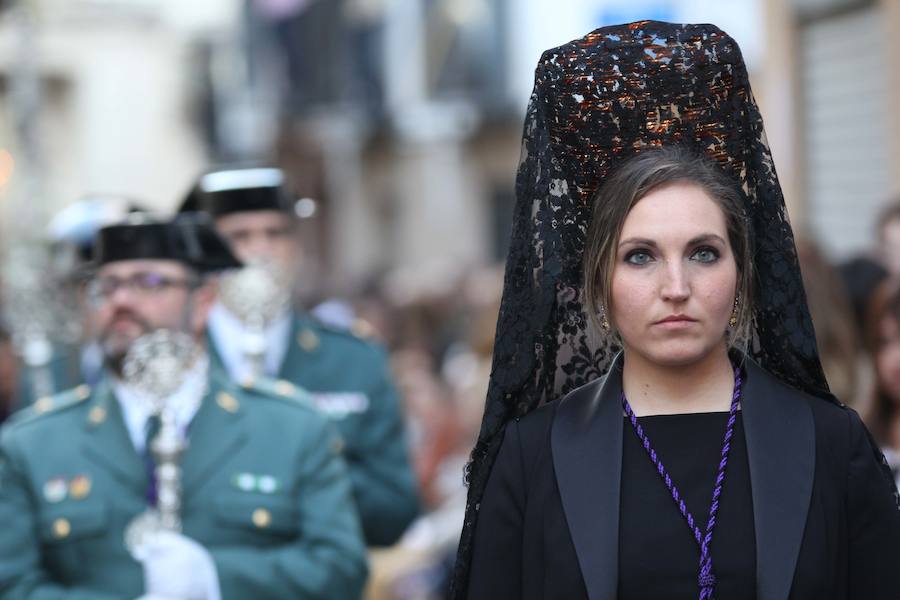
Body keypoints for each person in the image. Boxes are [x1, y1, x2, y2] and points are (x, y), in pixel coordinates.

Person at [454, 22, 900, 599]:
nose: (676, 285)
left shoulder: (831, 445)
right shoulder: (531, 459)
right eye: (640, 257)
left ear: (742, 271)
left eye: (703, 253)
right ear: (599, 283)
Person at [0, 215, 368, 598]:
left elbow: (341, 569)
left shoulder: (291, 427)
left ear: (203, 301)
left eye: (149, 282)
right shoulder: (32, 442)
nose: (121, 300)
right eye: (106, 287)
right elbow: (11, 584)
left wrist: (213, 576)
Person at [181, 166, 419, 547]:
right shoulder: (176, 360)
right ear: (208, 255)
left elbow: (394, 510)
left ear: (296, 246)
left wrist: (298, 463)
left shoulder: (356, 360)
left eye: (276, 233)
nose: (261, 250)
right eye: (239, 236)